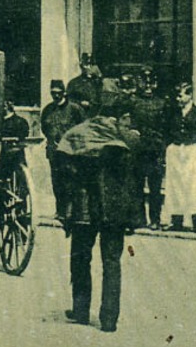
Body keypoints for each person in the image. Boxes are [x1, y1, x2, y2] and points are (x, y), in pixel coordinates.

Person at [57, 92, 142, 332]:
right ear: (119, 115)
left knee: (81, 258)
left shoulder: (76, 134)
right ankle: (109, 319)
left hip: (84, 209)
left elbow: (62, 169)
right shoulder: (127, 138)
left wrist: (64, 207)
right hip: (113, 211)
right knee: (112, 262)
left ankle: (81, 311)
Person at [162, 82, 196, 233]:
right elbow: (166, 131)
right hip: (175, 151)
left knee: (195, 187)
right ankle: (176, 221)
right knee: (175, 186)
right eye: (177, 95)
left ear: (190, 95)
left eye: (181, 95)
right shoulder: (172, 113)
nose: (178, 99)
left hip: (193, 152)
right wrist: (170, 146)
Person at [130, 69, 170, 230]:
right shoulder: (133, 101)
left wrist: (164, 148)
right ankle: (138, 219)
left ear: (155, 84)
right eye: (144, 83)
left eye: (151, 83)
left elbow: (167, 127)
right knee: (137, 186)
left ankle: (155, 219)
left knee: (155, 188)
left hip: (155, 150)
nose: (148, 87)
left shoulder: (162, 103)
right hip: (138, 150)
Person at [40, 80, 85, 224]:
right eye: (53, 93)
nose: (56, 96)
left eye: (59, 93)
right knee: (57, 182)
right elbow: (44, 127)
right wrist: (52, 140)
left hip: (71, 153)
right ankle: (59, 211)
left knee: (71, 182)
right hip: (54, 153)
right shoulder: (48, 110)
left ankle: (70, 211)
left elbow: (83, 127)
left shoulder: (75, 109)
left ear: (64, 92)